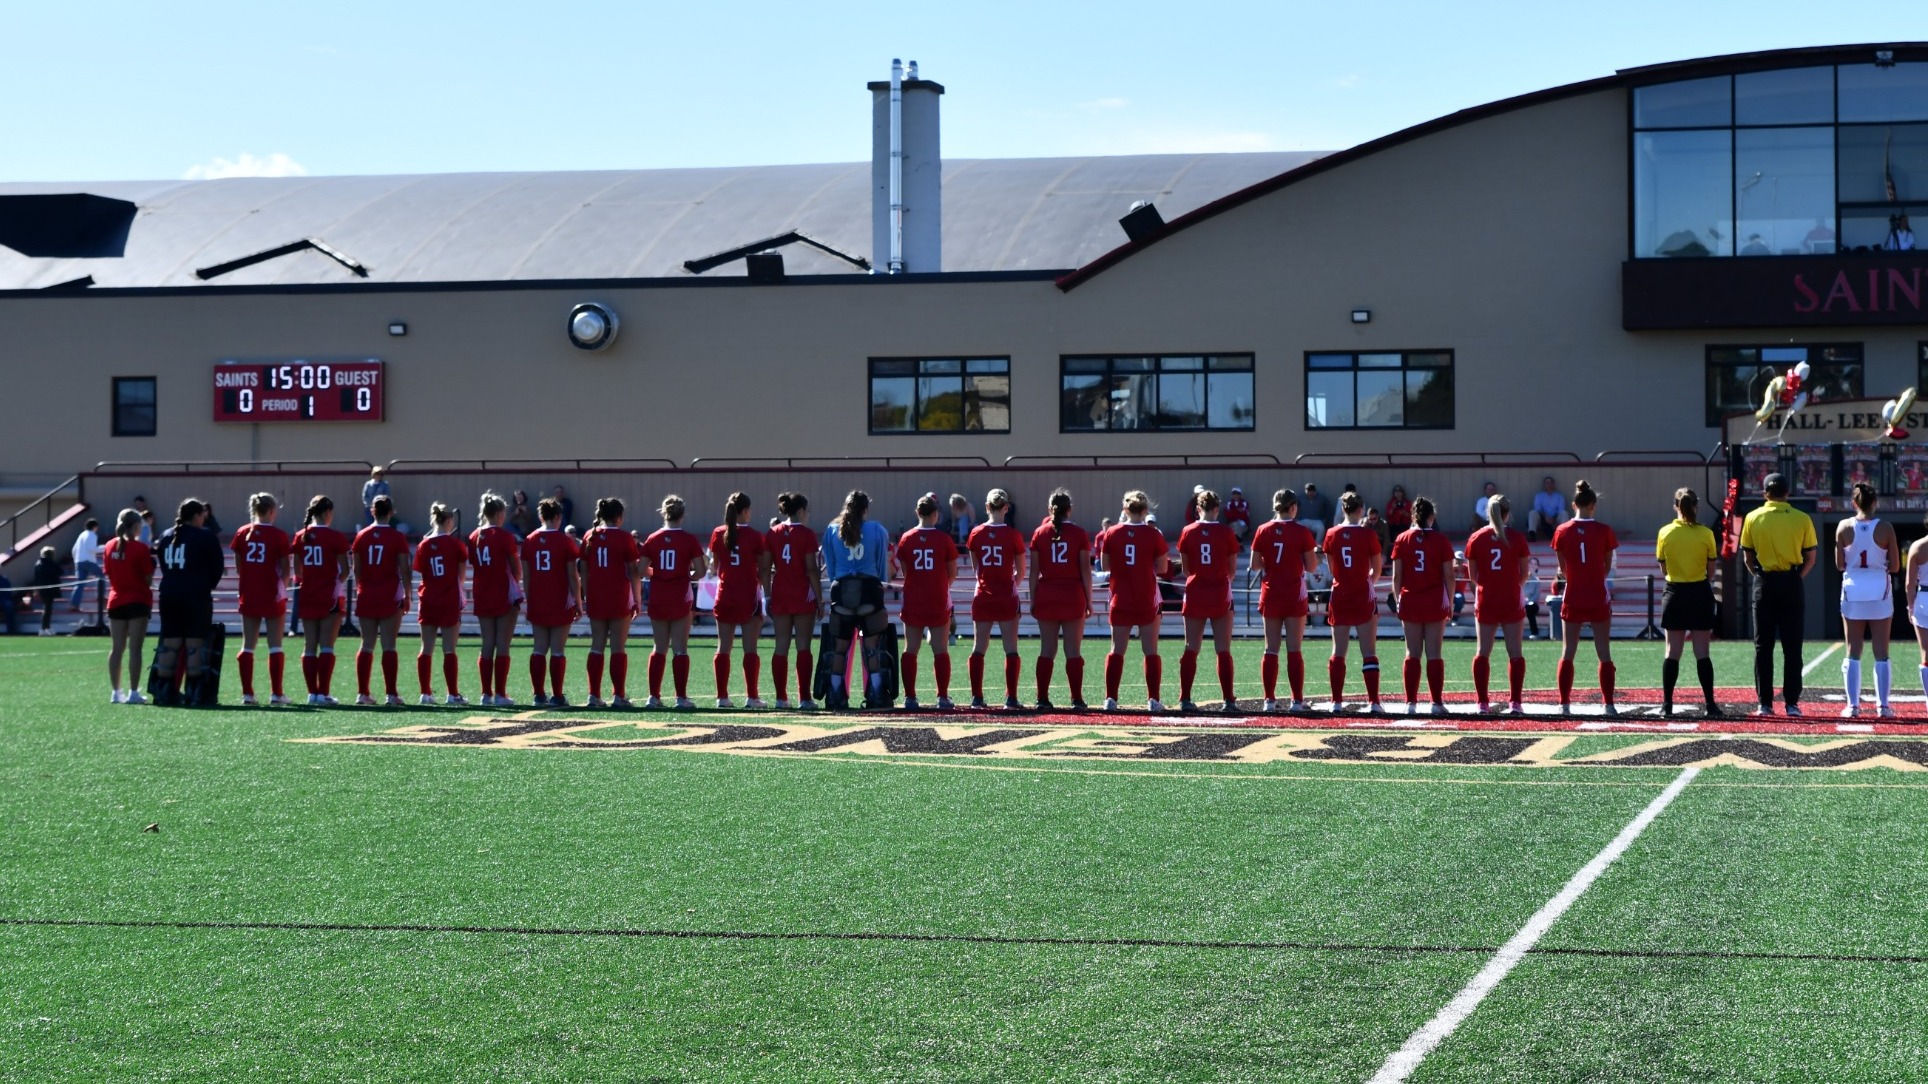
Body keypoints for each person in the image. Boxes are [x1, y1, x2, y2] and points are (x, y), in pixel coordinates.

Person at [1740, 473, 1818, 716]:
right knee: (1792, 646)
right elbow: (1811, 558)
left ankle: (1765, 703)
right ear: (1788, 492)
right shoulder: (1802, 518)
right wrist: (1795, 577)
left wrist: (1761, 577)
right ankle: (1792, 703)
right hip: (1792, 583)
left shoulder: (1753, 517)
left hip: (1764, 582)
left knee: (1763, 646)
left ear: (1765, 493)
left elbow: (1748, 557)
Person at [819, 490, 894, 709]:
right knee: (873, 646)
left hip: (841, 590)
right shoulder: (877, 529)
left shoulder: (832, 530)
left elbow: (831, 568)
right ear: (865, 508)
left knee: (839, 647)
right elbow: (881, 565)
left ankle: (834, 695)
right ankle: (877, 693)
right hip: (869, 589)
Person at [1552, 480, 1619, 714]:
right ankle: (1609, 704)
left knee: (1568, 651)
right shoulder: (1604, 530)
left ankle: (1564, 704)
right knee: (1604, 652)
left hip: (1574, 594)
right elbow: (1607, 567)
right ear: (1594, 505)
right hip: (1597, 595)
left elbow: (1562, 569)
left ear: (1573, 504)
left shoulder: (1562, 530)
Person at [1656, 487, 1723, 719]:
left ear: (1676, 506)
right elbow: (1711, 570)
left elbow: (1663, 568)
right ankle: (1711, 705)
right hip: (1699, 593)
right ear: (1696, 506)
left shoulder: (1665, 532)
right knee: (1702, 653)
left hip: (1674, 593)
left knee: (1672, 652)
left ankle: (1667, 705)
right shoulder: (1706, 534)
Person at [1249, 490, 1318, 711]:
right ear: (1293, 507)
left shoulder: (1263, 530)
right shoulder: (1301, 531)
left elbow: (1255, 564)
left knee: (1271, 648)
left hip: (1271, 592)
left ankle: (1269, 700)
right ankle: (1296, 701)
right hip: (1293, 594)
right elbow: (1312, 566)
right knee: (1294, 648)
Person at [1100, 491, 1169, 712]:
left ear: (1125, 509)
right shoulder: (1153, 534)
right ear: (1145, 510)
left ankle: (1110, 698)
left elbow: (1105, 566)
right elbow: (1163, 568)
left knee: (1116, 650)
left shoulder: (1112, 532)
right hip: (1146, 597)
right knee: (1150, 650)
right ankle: (1153, 700)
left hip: (1121, 597)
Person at [1836, 482, 1899, 718]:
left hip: (1853, 590)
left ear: (1854, 503)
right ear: (1875, 503)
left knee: (1853, 650)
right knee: (1881, 651)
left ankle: (1853, 707)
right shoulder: (1885, 527)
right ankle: (1883, 706)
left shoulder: (1843, 527)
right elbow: (1894, 566)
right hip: (1878, 591)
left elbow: (1839, 564)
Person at [153, 498, 225, 704]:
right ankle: (195, 692)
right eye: (202, 515)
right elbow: (217, 567)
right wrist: (205, 585)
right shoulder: (205, 537)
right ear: (196, 516)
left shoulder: (166, 536)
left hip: (169, 594)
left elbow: (164, 565)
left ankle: (164, 691)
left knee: (170, 644)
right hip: (195, 595)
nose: (204, 519)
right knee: (194, 645)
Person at [1176, 489, 1241, 712]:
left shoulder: (1188, 531)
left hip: (1196, 592)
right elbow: (1232, 571)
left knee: (1191, 647)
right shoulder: (1226, 532)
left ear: (1198, 509)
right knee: (1223, 649)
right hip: (1220, 592)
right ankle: (1228, 701)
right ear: (1217, 509)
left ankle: (1184, 698)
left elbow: (1186, 569)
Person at [892, 495, 960, 710]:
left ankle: (910, 697)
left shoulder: (907, 538)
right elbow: (952, 572)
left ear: (917, 513)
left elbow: (905, 571)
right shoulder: (944, 539)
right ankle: (942, 697)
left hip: (914, 599)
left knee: (910, 649)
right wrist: (938, 585)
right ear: (935, 515)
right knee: (940, 649)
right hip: (937, 599)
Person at [1029, 488, 1093, 711]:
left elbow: (1034, 572)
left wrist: (1033, 598)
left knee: (1047, 649)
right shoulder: (1079, 534)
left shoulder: (1039, 533)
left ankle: (1042, 699)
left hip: (1047, 594)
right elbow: (1085, 571)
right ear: (1070, 510)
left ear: (1050, 509)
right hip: (1072, 595)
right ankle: (1076, 699)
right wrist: (1089, 600)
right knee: (1073, 650)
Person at [1467, 493, 1532, 714]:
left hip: (1487, 599)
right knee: (1515, 652)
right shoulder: (1517, 538)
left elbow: (1473, 576)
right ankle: (1515, 702)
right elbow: (1524, 574)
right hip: (1511, 598)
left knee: (1483, 651)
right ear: (1507, 513)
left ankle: (1482, 703)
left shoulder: (1476, 538)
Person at [642, 495, 707, 709]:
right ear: (683, 515)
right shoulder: (689, 539)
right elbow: (701, 570)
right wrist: (683, 575)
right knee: (680, 648)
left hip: (659, 595)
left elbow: (641, 569)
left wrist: (659, 574)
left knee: (659, 647)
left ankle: (653, 697)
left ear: (663, 513)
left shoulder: (653, 538)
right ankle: (680, 698)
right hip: (680, 595)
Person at [1391, 497, 1455, 715]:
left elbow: (1397, 575)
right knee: (1434, 652)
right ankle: (1436, 703)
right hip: (1434, 599)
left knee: (1412, 652)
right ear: (1432, 517)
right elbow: (1449, 575)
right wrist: (1451, 600)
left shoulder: (1402, 538)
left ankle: (1411, 703)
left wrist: (1398, 598)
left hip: (1410, 599)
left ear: (1413, 516)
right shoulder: (1441, 540)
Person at [229, 493, 293, 706]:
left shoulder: (242, 532)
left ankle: (248, 694)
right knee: (275, 645)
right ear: (271, 511)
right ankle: (276, 694)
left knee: (248, 645)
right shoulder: (278, 535)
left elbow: (239, 567)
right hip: (272, 593)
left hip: (250, 593)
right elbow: (286, 569)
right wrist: (281, 588)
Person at [1324, 491, 1385, 712]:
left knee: (1338, 651)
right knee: (1368, 651)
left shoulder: (1331, 533)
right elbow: (1376, 570)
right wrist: (1366, 580)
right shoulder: (1368, 535)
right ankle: (1374, 702)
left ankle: (1336, 702)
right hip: (1362, 594)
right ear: (1361, 510)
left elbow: (1332, 569)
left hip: (1340, 594)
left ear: (1343, 509)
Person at [965, 488, 1026, 710]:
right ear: (1006, 508)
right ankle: (1011, 698)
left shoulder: (976, 533)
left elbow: (976, 569)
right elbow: (1021, 571)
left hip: (983, 594)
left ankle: (977, 698)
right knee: (1010, 648)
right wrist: (1010, 585)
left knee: (979, 647)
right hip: (1006, 596)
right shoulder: (1013, 535)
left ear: (987, 507)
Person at [578, 497, 641, 709]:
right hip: (618, 597)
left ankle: (593, 695)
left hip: (596, 597)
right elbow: (633, 572)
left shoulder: (590, 535)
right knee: (617, 647)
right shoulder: (624, 538)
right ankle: (618, 696)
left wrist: (586, 595)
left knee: (596, 645)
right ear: (619, 517)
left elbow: (583, 570)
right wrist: (638, 599)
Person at [708, 492, 769, 709]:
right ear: (745, 511)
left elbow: (715, 567)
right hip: (748, 595)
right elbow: (762, 567)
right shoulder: (754, 536)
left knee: (723, 647)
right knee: (750, 648)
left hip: (725, 593)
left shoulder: (718, 532)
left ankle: (722, 698)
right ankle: (752, 697)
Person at [350, 495, 411, 706]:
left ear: (372, 511)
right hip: (389, 594)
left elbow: (356, 569)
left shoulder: (361, 536)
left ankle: (362, 693)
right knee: (389, 645)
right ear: (391, 512)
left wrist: (362, 587)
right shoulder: (397, 537)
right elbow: (405, 569)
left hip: (367, 593)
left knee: (366, 644)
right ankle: (391, 694)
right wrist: (408, 594)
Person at [521, 497, 582, 707]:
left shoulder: (530, 540)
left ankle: (538, 695)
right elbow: (573, 576)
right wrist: (578, 602)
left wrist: (530, 599)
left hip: (538, 599)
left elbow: (526, 577)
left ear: (540, 516)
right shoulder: (566, 541)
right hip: (560, 600)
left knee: (539, 648)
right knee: (557, 650)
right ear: (558, 517)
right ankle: (557, 695)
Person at [292, 496, 352, 705]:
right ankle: (323, 693)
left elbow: (297, 570)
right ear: (328, 512)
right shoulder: (335, 537)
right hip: (329, 595)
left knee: (309, 645)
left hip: (308, 593)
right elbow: (346, 570)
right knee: (327, 646)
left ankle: (312, 693)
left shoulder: (301, 536)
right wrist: (335, 581)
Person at [766, 492, 823, 710]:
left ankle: (781, 698)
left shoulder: (773, 532)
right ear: (801, 511)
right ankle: (804, 699)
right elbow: (811, 569)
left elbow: (765, 567)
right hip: (801, 595)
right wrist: (819, 599)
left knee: (781, 646)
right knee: (803, 647)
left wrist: (766, 595)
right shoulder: (807, 534)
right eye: (807, 511)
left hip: (780, 592)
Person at [469, 491, 523, 707]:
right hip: (502, 592)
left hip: (483, 592)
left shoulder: (474, 536)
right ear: (500, 513)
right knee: (502, 644)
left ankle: (485, 694)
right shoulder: (504, 536)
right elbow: (516, 569)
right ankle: (500, 693)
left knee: (487, 643)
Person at [413, 502, 469, 706]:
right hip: (448, 599)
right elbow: (461, 576)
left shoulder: (423, 544)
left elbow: (421, 572)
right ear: (448, 521)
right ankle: (452, 694)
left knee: (426, 648)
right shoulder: (455, 545)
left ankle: (425, 693)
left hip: (428, 598)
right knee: (449, 649)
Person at [102, 509, 154, 704]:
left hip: (116, 600)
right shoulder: (140, 548)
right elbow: (147, 579)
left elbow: (109, 573)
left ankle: (116, 692)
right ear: (135, 526)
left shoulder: (109, 546)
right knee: (135, 649)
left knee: (116, 648)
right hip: (137, 600)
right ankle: (133, 692)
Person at [70, 516, 102, 620]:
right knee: (101, 576)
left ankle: (74, 604)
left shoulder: (81, 535)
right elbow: (91, 549)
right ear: (95, 526)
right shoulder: (92, 535)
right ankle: (100, 595)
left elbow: (74, 549)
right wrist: (104, 548)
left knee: (79, 584)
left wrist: (76, 560)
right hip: (88, 561)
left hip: (79, 561)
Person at [32, 546, 61, 636]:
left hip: (42, 589)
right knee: (47, 608)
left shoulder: (38, 564)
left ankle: (46, 627)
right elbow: (59, 571)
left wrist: (36, 589)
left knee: (47, 608)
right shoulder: (51, 563)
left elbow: (36, 578)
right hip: (50, 589)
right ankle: (44, 628)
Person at [1530, 476, 1566, 541]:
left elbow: (1561, 509)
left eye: (1551, 483)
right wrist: (1546, 516)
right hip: (1542, 519)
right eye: (1547, 483)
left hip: (1555, 519)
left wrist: (1553, 518)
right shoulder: (1539, 496)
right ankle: (1532, 534)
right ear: (1544, 485)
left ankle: (1563, 535)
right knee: (1533, 513)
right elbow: (1537, 509)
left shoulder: (1559, 496)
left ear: (1553, 484)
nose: (1549, 485)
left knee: (1564, 513)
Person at [1523, 559, 1547, 639]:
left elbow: (1536, 597)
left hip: (1531, 604)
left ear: (1537, 566)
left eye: (1535, 564)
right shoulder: (1520, 578)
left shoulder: (1537, 581)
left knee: (1530, 609)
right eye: (1531, 563)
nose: (1532, 565)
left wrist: (1527, 601)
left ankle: (1534, 632)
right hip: (1520, 602)